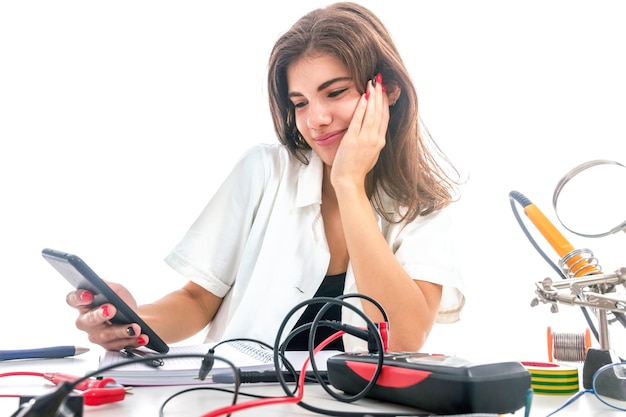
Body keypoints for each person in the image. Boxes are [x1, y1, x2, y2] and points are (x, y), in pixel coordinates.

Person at [66, 1, 465, 353]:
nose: (316, 120)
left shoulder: (423, 208)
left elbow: (403, 338)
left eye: (335, 92)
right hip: (244, 398)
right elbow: (197, 301)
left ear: (387, 91)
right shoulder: (263, 171)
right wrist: (133, 319)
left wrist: (349, 184)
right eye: (300, 103)